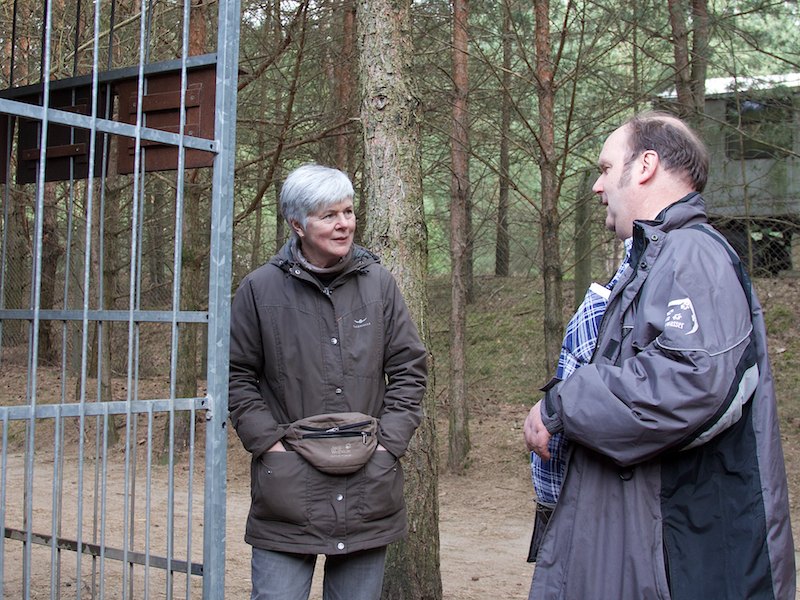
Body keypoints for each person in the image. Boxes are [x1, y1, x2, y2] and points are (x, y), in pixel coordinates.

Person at [523, 111, 795, 599]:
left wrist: (561, 403)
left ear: (645, 165)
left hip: (685, 559)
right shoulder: (656, 260)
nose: (597, 186)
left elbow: (691, 381)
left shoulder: (693, 254)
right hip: (651, 547)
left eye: (606, 169)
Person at [228, 163, 427, 600]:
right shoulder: (259, 289)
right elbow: (236, 376)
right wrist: (270, 447)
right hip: (288, 492)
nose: (344, 224)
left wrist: (388, 445)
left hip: (367, 487)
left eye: (348, 211)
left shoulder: (379, 284)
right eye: (329, 215)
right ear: (297, 224)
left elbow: (409, 369)